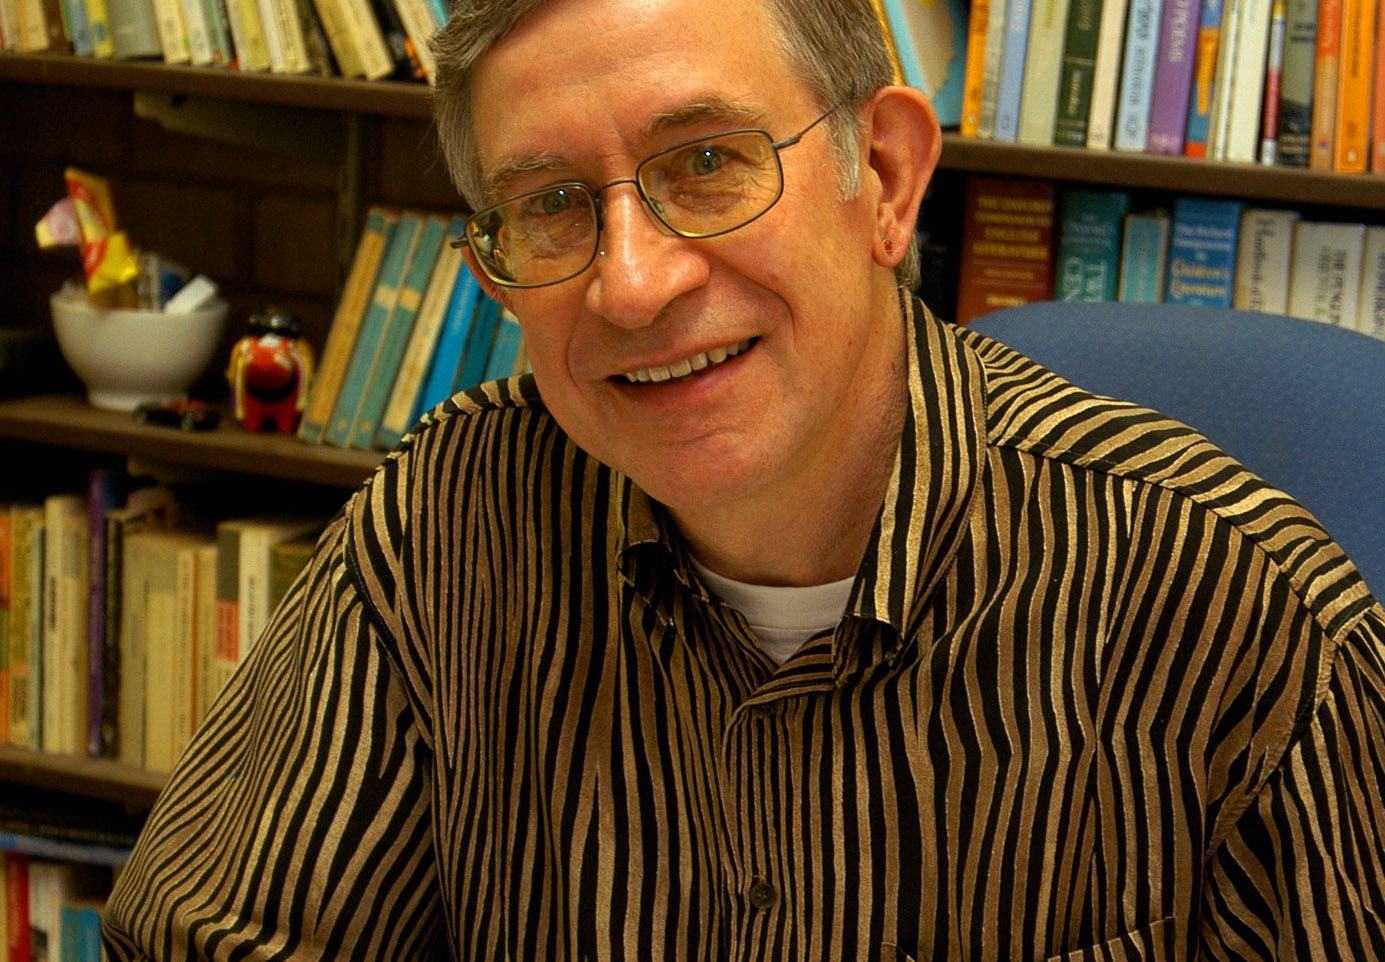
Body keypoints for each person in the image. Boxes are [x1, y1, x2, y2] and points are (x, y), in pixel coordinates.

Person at [103, 0, 1385, 958]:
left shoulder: (1245, 615)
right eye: (551, 203)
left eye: (706, 163)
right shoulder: (447, 524)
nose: (630, 283)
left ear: (882, 179)